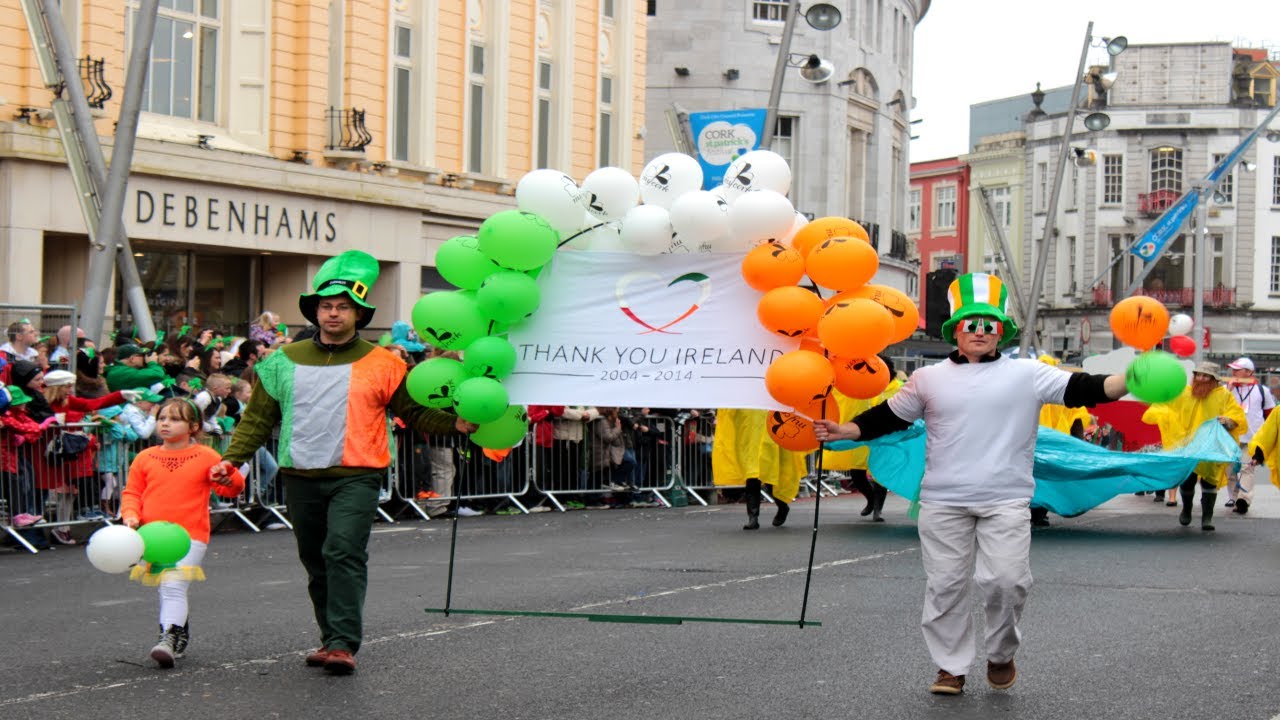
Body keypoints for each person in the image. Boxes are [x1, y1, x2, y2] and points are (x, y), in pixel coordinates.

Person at [814, 273, 1127, 695]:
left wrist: (1131, 378)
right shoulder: (928, 379)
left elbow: (1086, 388)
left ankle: (1001, 653)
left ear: (1002, 331)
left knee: (1007, 581)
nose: (980, 331)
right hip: (943, 500)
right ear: (955, 331)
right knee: (945, 586)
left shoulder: (1028, 374)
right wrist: (844, 429)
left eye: (989, 324)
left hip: (1006, 499)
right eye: (970, 324)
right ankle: (950, 668)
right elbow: (889, 416)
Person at [210, 250, 476, 675]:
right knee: (315, 560)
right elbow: (257, 420)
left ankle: (343, 643)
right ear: (315, 312)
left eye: (342, 307)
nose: (333, 314)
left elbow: (413, 412)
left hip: (358, 475)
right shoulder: (280, 361)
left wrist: (455, 424)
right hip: (300, 475)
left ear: (358, 314)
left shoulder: (386, 363)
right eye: (326, 306)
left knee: (344, 551)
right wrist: (231, 460)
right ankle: (329, 637)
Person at [120, 398, 245, 668]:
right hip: (151, 535)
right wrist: (130, 516)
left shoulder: (206, 455)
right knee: (168, 587)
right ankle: (178, 632)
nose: (165, 423)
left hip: (191, 534)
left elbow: (229, 489)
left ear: (193, 426)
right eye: (162, 417)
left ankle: (167, 638)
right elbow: (132, 492)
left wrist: (230, 476)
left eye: (174, 419)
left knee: (174, 585)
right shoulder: (145, 457)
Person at [1142, 361, 1246, 530]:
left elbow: (1236, 415)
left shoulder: (1224, 396)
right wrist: (1162, 414)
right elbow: (1164, 405)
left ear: (1214, 379)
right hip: (1188, 445)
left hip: (1212, 446)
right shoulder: (1184, 393)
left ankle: (1207, 517)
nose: (1201, 378)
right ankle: (1187, 509)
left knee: (1209, 481)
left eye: (1205, 376)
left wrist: (1227, 420)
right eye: (1198, 375)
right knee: (1188, 479)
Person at [823, 356, 904, 523]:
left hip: (885, 440)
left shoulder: (899, 389)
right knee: (857, 474)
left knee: (879, 475)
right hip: (862, 437)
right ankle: (870, 498)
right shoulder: (863, 387)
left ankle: (877, 510)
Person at [712, 408, 805, 529]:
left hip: (769, 439)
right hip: (750, 439)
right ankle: (753, 518)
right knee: (752, 479)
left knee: (770, 479)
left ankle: (782, 507)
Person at [1223, 357, 1275, 514]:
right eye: (1233, 369)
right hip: (1230, 436)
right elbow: (1218, 407)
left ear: (1249, 372)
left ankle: (1243, 499)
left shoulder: (1262, 391)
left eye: (1238, 370)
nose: (1234, 372)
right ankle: (1233, 496)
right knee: (1230, 468)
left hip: (1252, 437)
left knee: (1247, 468)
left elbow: (1269, 415)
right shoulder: (1226, 390)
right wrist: (1228, 390)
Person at [104, 345, 169, 391]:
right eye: (143, 356)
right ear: (132, 358)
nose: (146, 359)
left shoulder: (121, 369)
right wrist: (152, 362)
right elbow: (157, 375)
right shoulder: (121, 372)